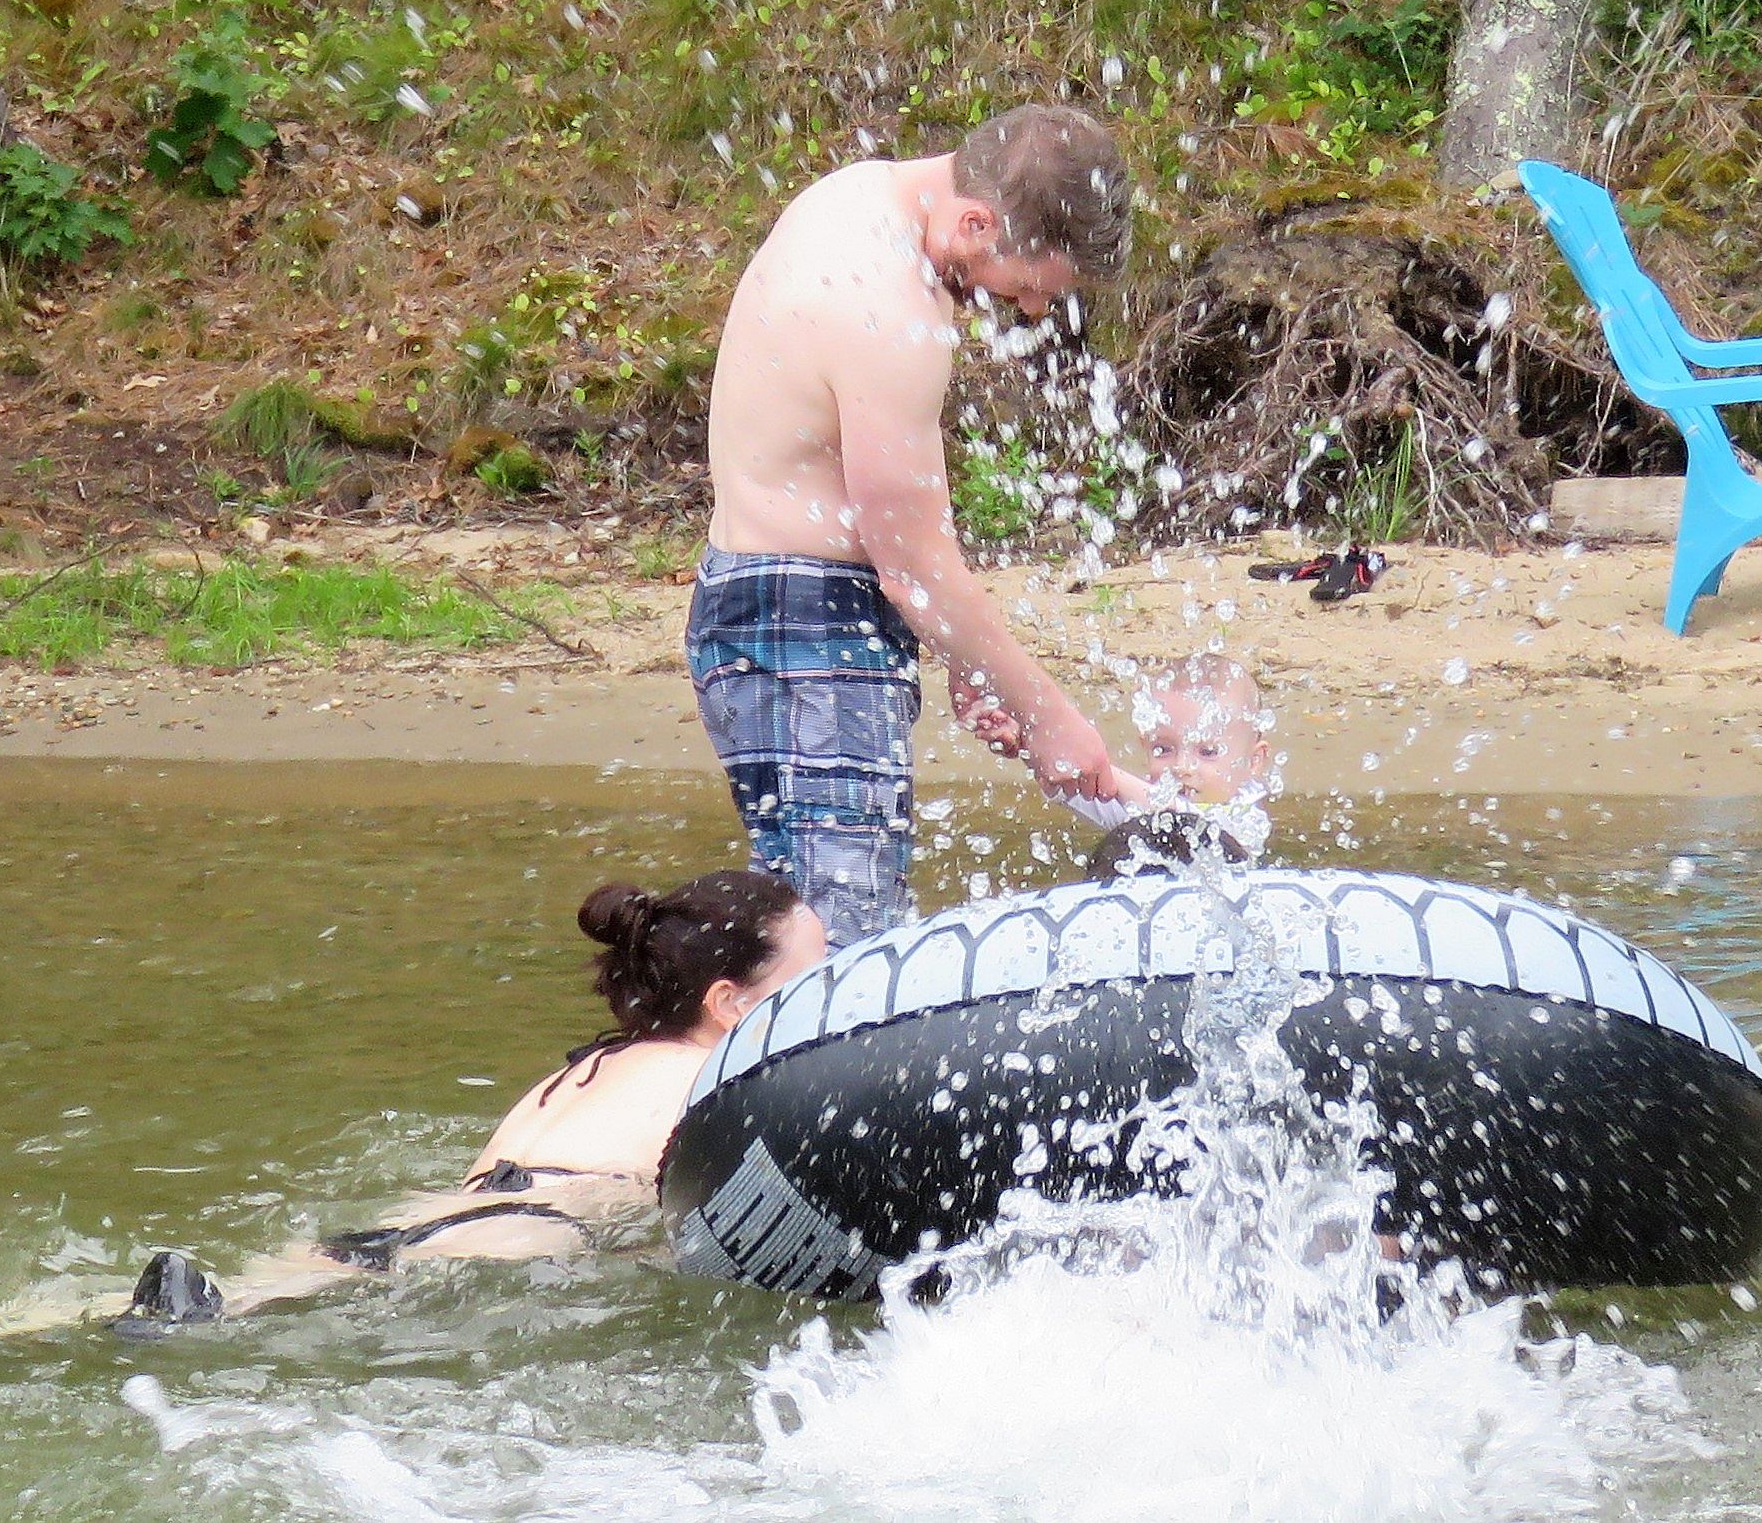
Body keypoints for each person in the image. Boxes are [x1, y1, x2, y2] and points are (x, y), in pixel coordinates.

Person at [691, 105, 1151, 947]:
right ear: (975, 222)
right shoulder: (889, 307)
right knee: (844, 936)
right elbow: (912, 568)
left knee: (791, 928)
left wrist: (964, 659)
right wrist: (1050, 717)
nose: (1025, 309)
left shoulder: (853, 196)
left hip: (751, 605)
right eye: (1026, 285)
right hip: (812, 634)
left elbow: (892, 536)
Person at [109, 870, 826, 1328]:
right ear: (728, 1003)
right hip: (528, 1235)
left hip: (435, 1215)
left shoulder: (595, 1064)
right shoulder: (716, 1079)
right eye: (815, 972)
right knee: (278, 1321)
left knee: (244, 1297)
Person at [1082, 654, 1273, 877]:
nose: (1182, 767)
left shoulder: (1243, 816)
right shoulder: (1141, 804)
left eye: (1207, 752)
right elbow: (1079, 787)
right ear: (1146, 746)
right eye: (1163, 749)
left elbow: (1182, 819)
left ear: (1253, 760)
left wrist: (1104, 771)